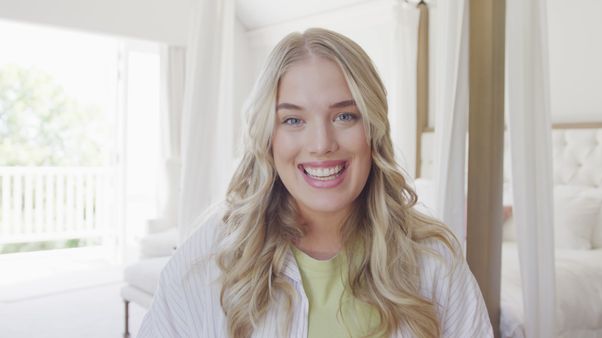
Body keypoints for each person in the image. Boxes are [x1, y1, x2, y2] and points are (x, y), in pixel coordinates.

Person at [138, 28, 492, 338]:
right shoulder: (209, 259)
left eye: (344, 115)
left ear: (372, 128)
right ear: (268, 138)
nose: (322, 143)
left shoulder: (433, 262)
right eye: (293, 120)